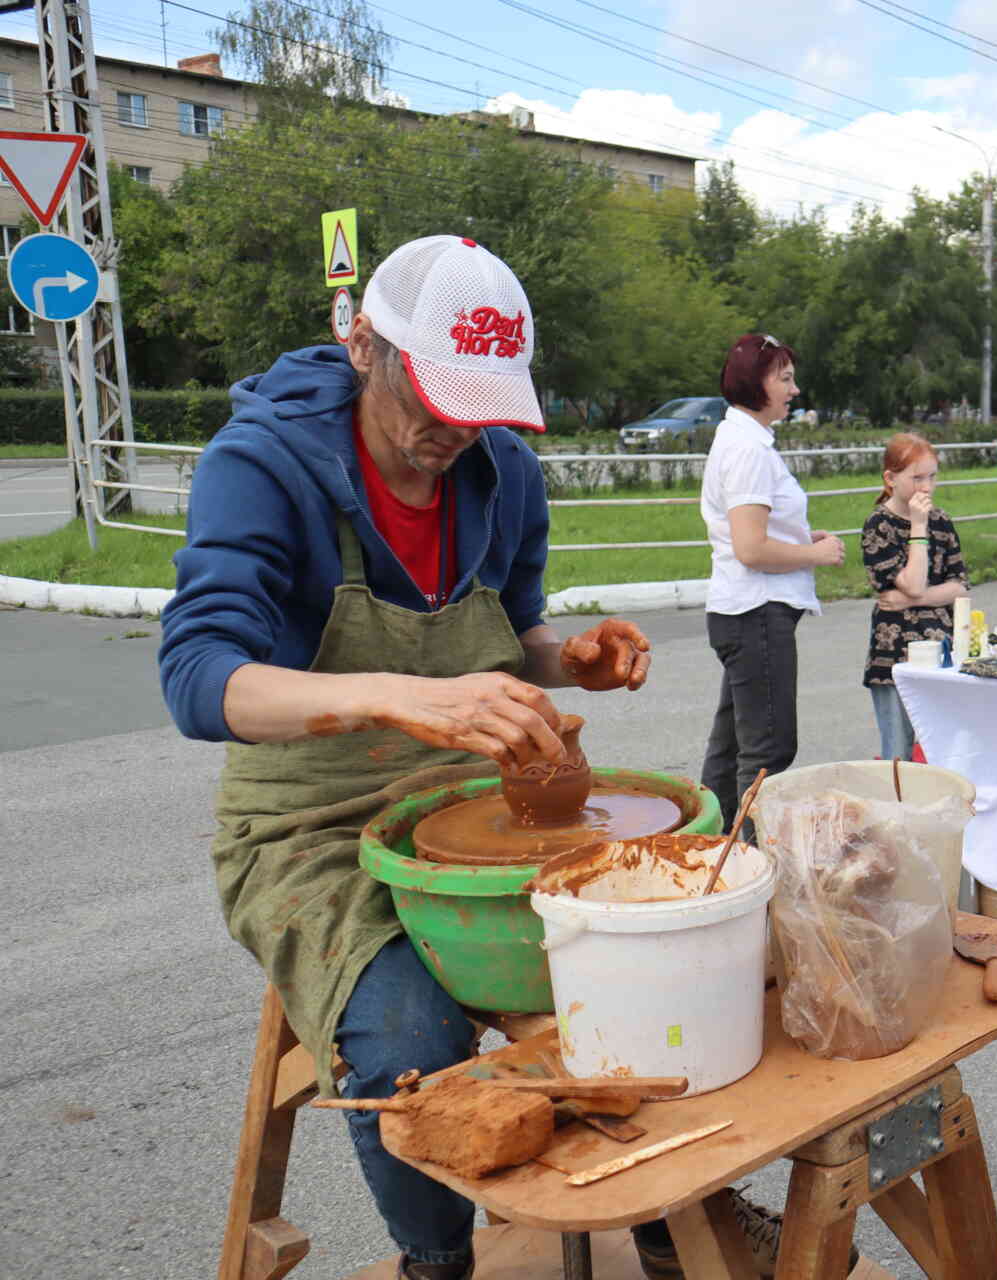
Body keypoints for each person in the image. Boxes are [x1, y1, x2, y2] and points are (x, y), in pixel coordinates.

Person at [158, 236, 660, 1280]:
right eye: (433, 394)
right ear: (363, 345)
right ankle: (438, 1260)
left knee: (649, 965)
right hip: (310, 828)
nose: (450, 429)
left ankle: (669, 1225)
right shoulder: (263, 462)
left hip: (473, 802)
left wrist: (568, 659)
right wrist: (396, 695)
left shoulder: (501, 468)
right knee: (410, 1039)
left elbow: (508, 631)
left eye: (478, 404)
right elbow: (201, 679)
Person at [700, 334, 844, 827]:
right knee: (768, 751)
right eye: (784, 378)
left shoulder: (743, 439)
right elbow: (752, 548)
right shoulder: (749, 450)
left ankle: (707, 851)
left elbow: (757, 532)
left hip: (745, 612)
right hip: (756, 613)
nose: (794, 389)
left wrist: (801, 538)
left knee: (733, 746)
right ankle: (756, 870)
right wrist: (815, 553)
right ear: (754, 382)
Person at [861, 432, 969, 759]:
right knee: (899, 752)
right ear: (891, 479)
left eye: (932, 476)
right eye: (917, 477)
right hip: (894, 653)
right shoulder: (879, 524)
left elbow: (960, 586)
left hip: (942, 648)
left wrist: (913, 601)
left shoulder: (943, 521)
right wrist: (919, 528)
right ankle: (898, 808)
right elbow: (914, 583)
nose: (926, 487)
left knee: (943, 747)